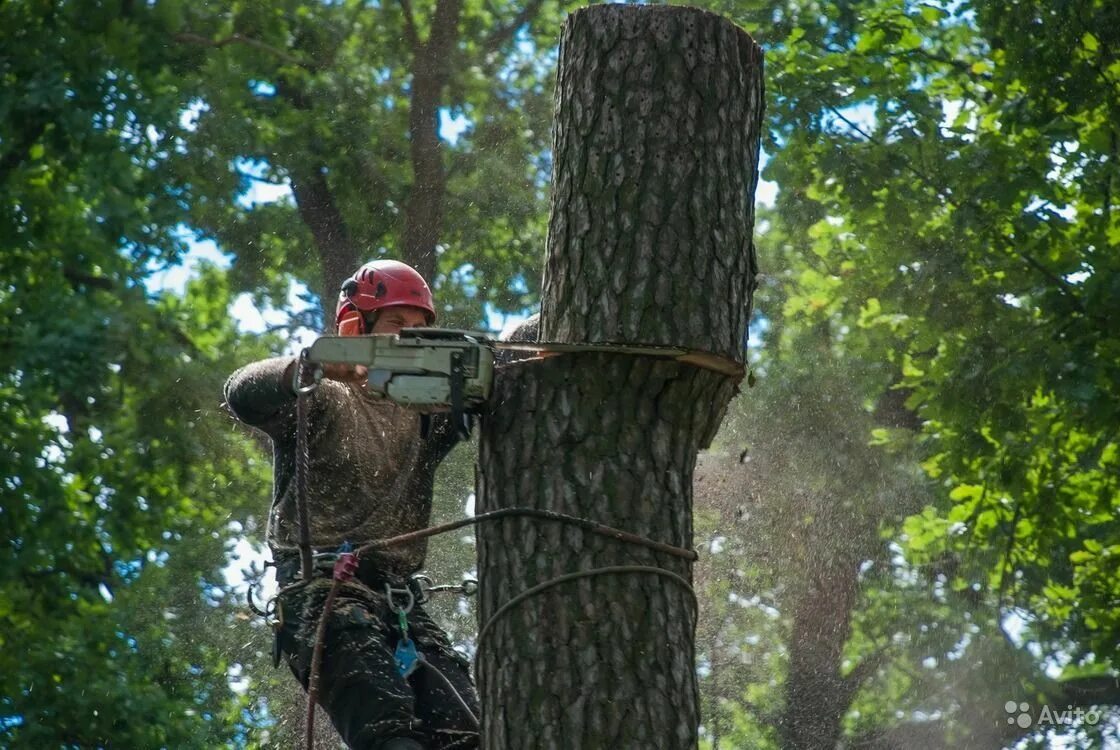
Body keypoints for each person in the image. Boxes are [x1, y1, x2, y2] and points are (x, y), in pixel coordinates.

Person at [223, 260, 480, 750]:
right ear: (354, 328)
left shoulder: (431, 411)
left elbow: (508, 364)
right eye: (395, 325)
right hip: (322, 594)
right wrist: (308, 366)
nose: (410, 338)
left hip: (401, 601)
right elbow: (243, 394)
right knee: (390, 734)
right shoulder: (322, 398)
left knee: (467, 731)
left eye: (421, 329)